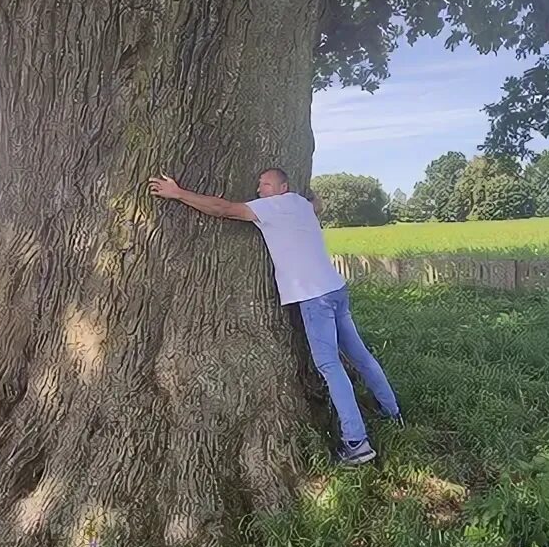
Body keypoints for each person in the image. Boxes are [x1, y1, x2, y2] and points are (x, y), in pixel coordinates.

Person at [149, 167, 403, 466]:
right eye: (259, 185)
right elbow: (318, 204)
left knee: (330, 367)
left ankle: (356, 443)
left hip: (314, 297)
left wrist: (177, 193)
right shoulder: (299, 203)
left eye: (266, 185)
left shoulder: (274, 207)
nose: (259, 190)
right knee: (360, 356)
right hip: (335, 289)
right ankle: (392, 413)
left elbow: (222, 209)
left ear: (282, 187)